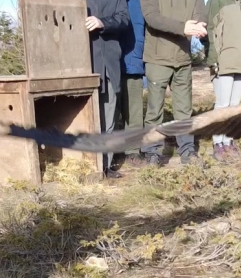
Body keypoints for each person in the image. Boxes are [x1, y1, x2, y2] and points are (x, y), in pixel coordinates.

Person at [140, 0, 208, 167]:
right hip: (158, 59)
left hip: (183, 59)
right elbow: (152, 18)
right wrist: (183, 27)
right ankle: (152, 153)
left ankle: (187, 152)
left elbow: (200, 12)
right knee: (155, 110)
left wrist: (200, 25)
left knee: (184, 111)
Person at [205, 0, 241, 160]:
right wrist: (213, 60)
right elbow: (211, 31)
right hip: (224, 62)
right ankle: (218, 143)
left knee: (235, 106)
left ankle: (229, 142)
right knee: (222, 104)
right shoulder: (217, 3)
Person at [86, 0, 130, 179]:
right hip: (82, 64)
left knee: (108, 114)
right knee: (85, 116)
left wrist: (102, 22)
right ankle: (87, 163)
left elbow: (125, 19)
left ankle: (105, 165)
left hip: (108, 63)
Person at [118, 0, 146, 165]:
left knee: (134, 111)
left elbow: (145, 31)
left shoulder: (138, 3)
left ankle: (132, 151)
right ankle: (112, 151)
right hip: (109, 64)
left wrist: (140, 57)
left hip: (134, 62)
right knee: (110, 111)